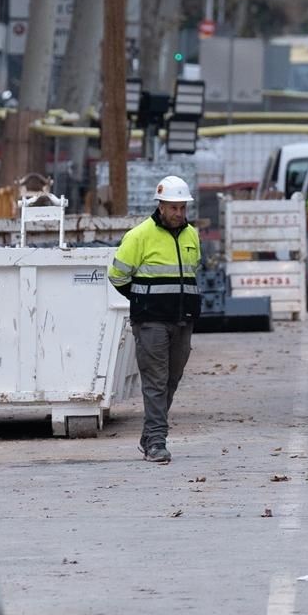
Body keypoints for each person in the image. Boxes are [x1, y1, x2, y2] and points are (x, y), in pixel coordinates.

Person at [108, 175, 203, 463]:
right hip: (151, 322)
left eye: (182, 208)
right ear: (160, 206)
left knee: (172, 379)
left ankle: (150, 434)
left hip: (183, 320)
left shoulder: (191, 236)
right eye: (173, 207)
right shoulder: (139, 236)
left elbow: (192, 271)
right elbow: (117, 275)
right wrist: (142, 301)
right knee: (156, 381)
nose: (179, 213)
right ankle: (157, 442)